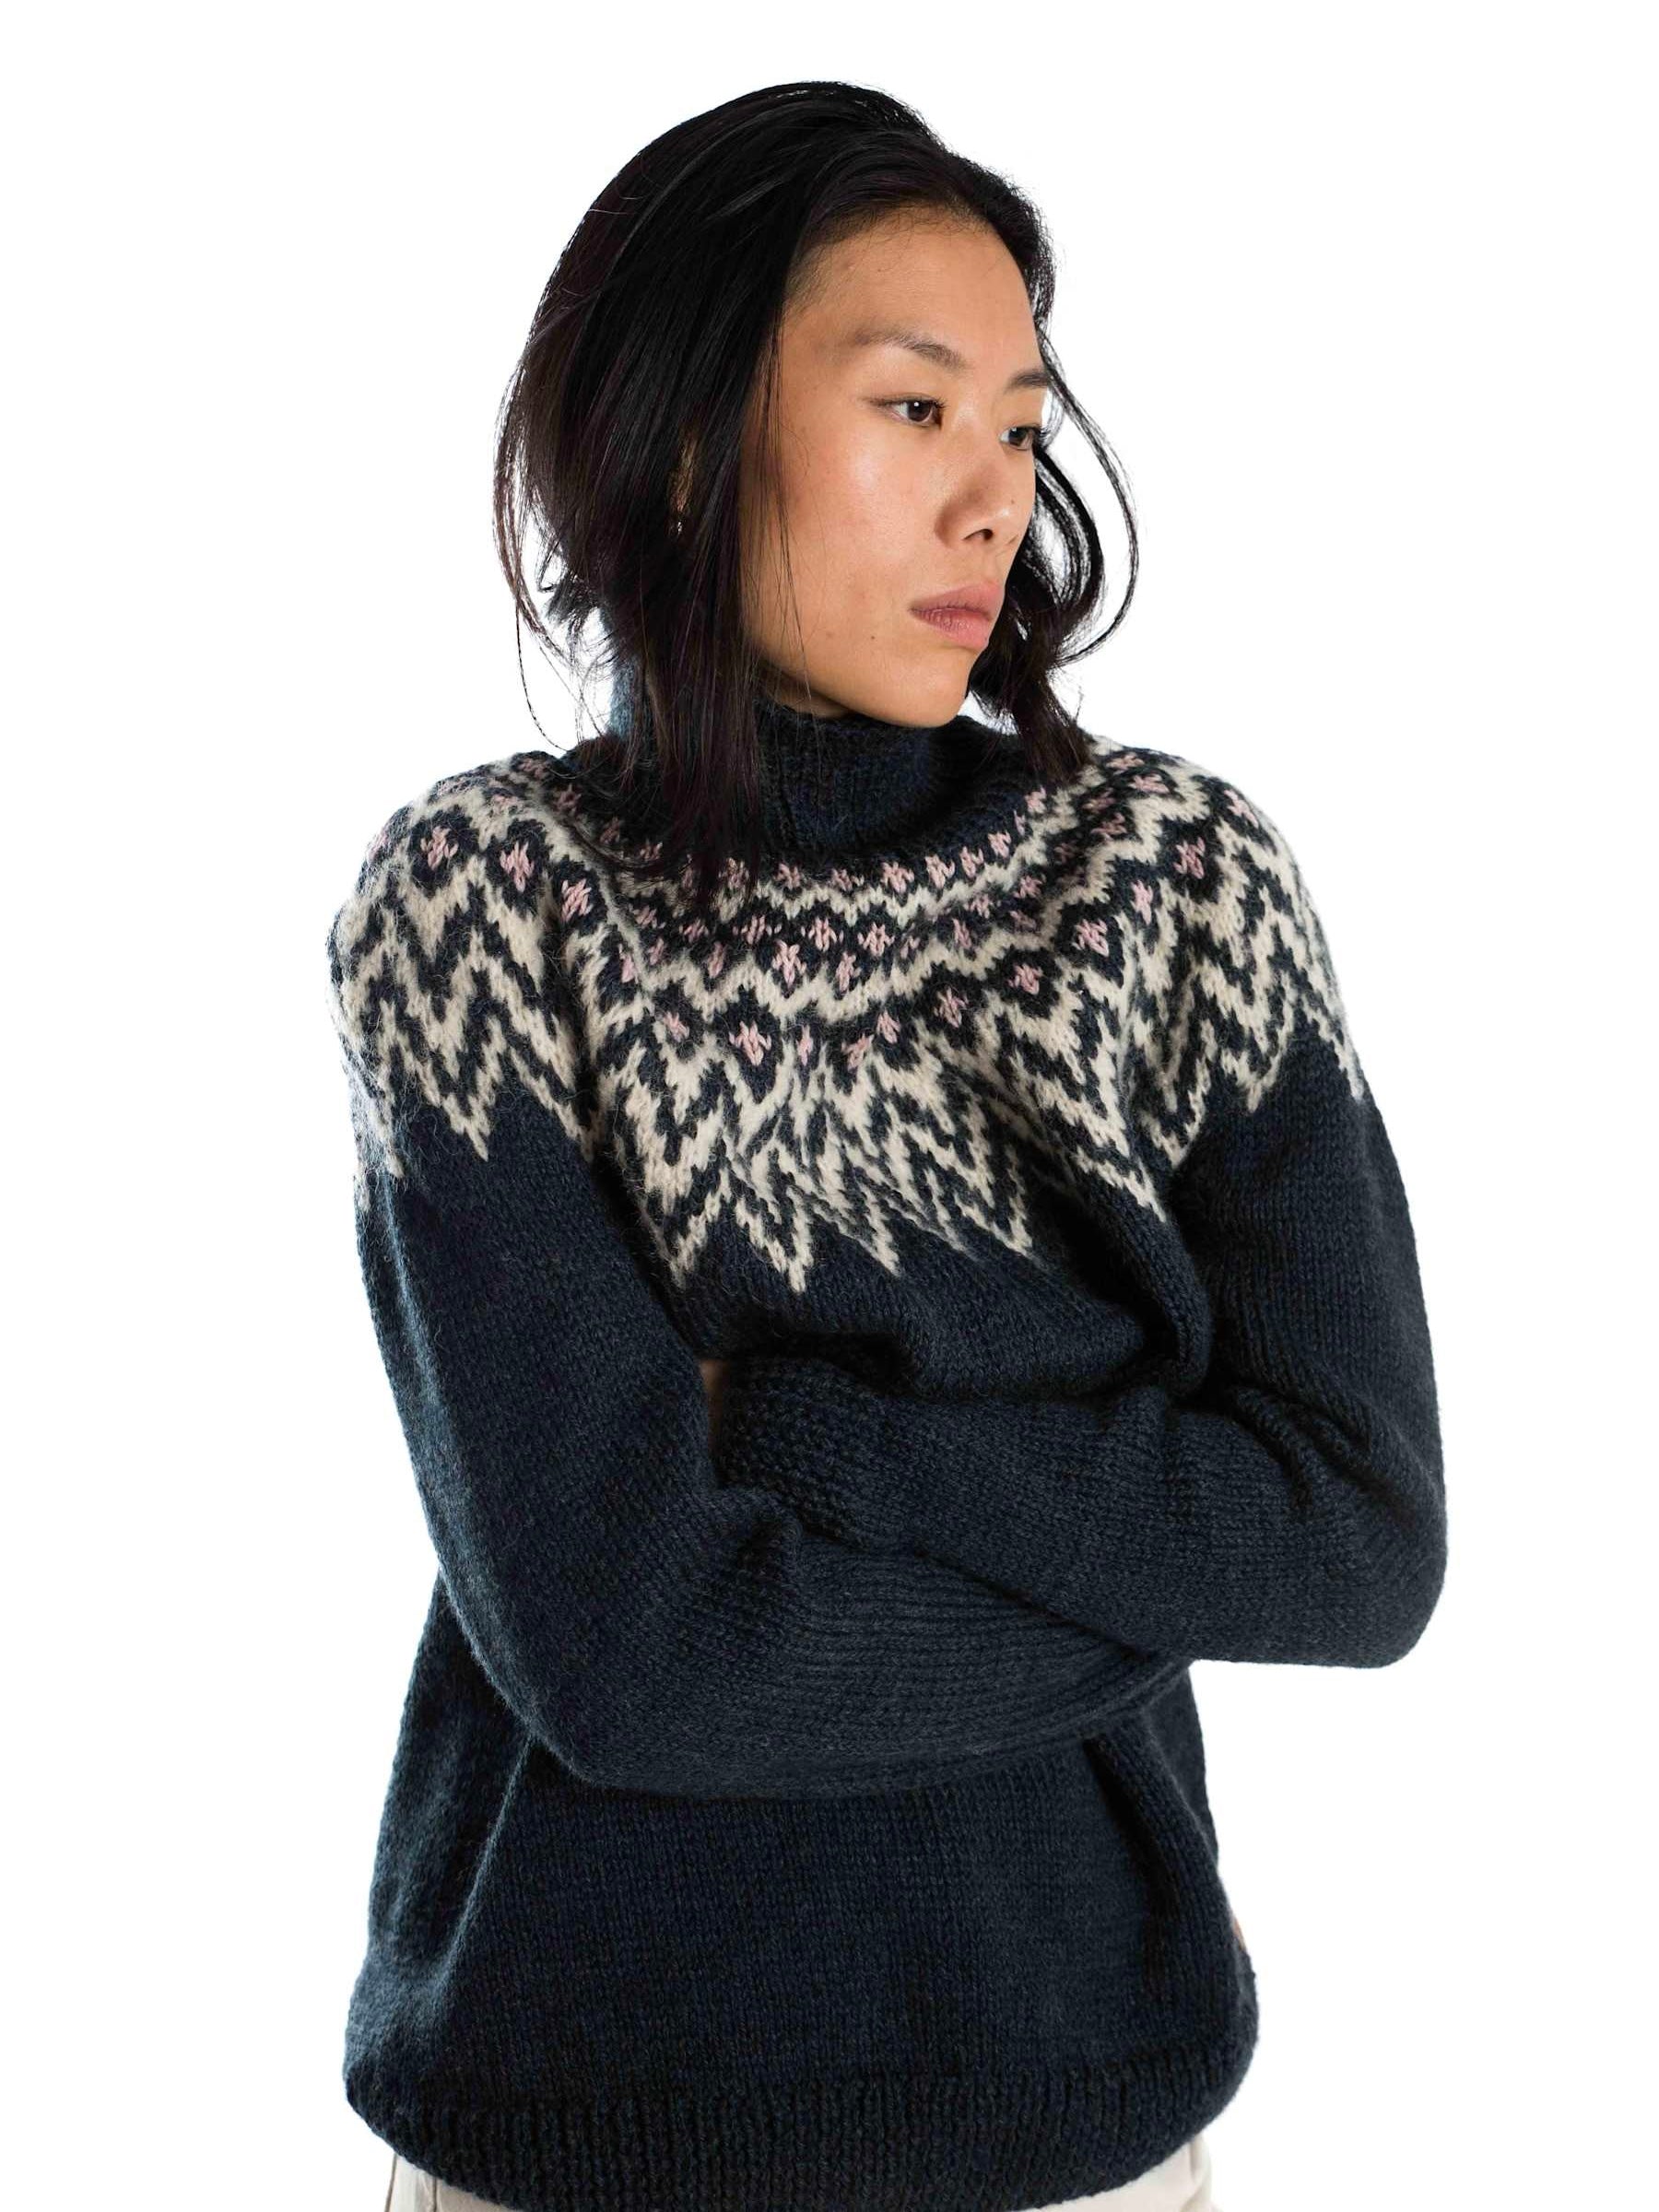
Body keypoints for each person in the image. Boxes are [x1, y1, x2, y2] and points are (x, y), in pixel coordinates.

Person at [325, 79, 1446, 2212]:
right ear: (679, 438)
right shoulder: (480, 909)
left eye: (1019, 424)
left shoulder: (1172, 889)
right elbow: (634, 1660)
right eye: (915, 409)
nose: (991, 498)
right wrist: (1140, 1527)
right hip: (576, 2128)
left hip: (1084, 2123)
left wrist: (810, 1437)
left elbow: (1353, 1541)